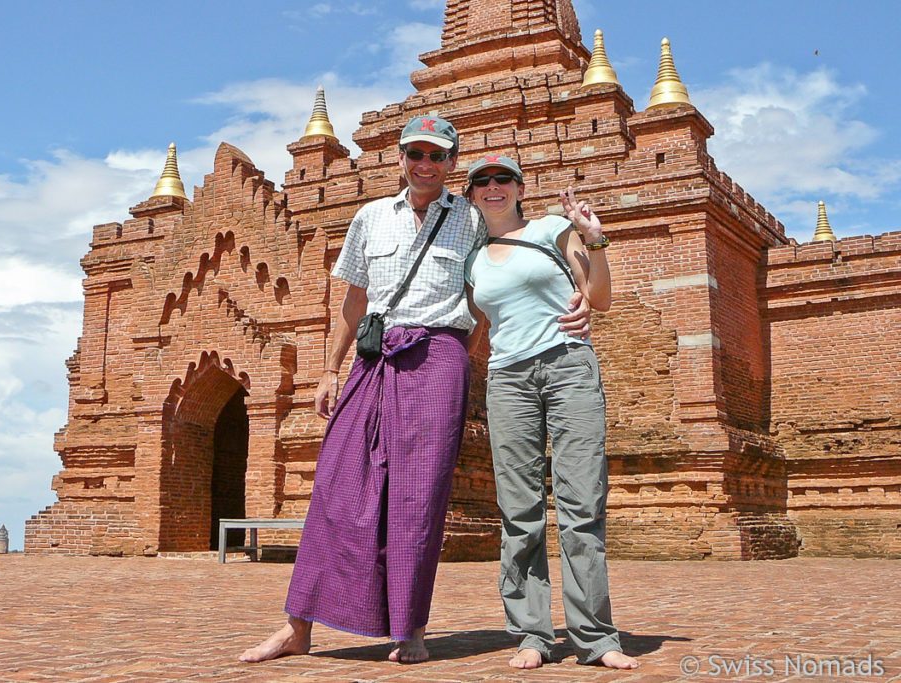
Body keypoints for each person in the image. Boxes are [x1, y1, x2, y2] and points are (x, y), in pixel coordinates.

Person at [239, 118, 591, 665]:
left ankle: (411, 629)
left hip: (438, 357)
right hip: (374, 357)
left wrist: (581, 292)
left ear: (452, 163)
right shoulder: (370, 217)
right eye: (416, 153)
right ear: (400, 158)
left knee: (418, 498)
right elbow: (354, 302)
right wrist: (329, 370)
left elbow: (511, 271)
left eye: (437, 155)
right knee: (335, 487)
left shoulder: (473, 218)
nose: (426, 164)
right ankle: (298, 627)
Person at [463, 154, 639, 670]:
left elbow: (598, 299)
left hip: (567, 367)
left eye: (503, 180)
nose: (493, 188)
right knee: (520, 511)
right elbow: (472, 326)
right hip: (508, 379)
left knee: (582, 503)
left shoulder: (552, 228)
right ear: (473, 195)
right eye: (482, 182)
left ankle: (596, 637)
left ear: (520, 188)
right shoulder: (471, 256)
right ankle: (531, 634)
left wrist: (596, 240)